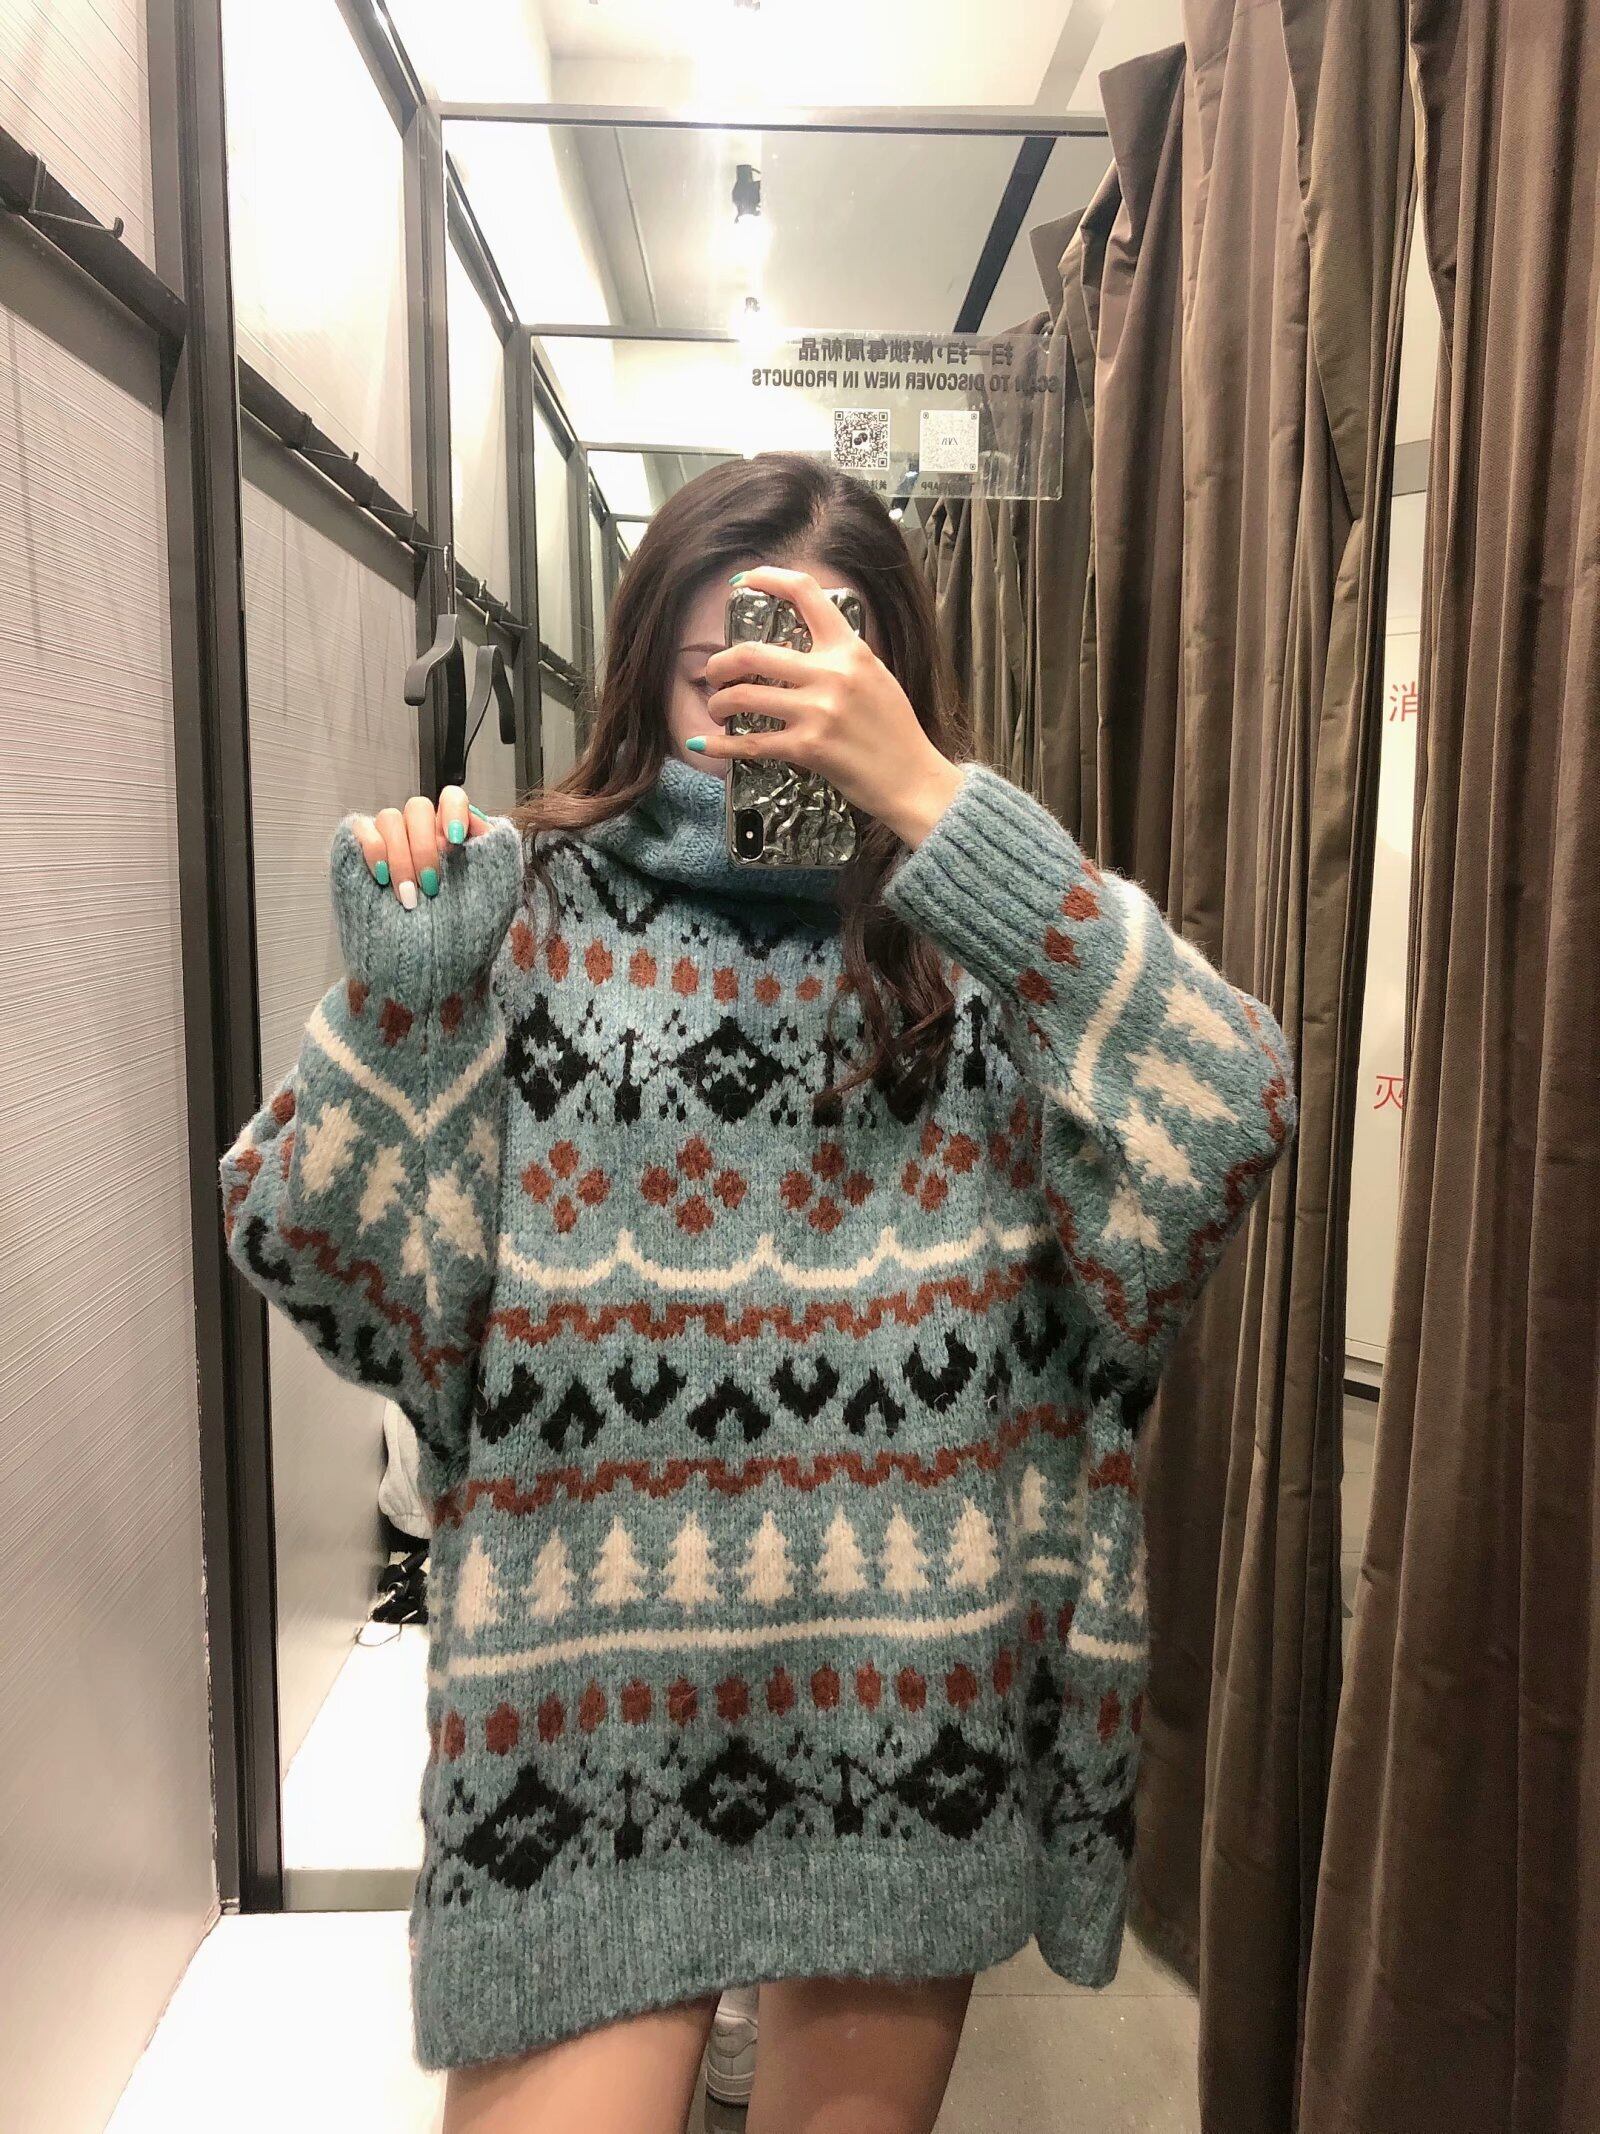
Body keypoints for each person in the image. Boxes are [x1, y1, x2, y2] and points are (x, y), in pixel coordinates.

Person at [220, 453, 1296, 2134]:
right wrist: (403, 1012)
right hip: (579, 1737)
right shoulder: (531, 912)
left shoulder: (980, 954)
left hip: (901, 1724)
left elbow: (1227, 1105)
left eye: (820, 662)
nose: (762, 707)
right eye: (721, 664)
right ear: (648, 665)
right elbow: (326, 1256)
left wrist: (934, 804)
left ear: (893, 682)